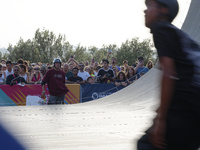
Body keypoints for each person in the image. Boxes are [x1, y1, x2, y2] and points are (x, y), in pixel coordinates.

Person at [137, 0, 200, 150]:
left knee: (147, 145)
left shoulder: (161, 28)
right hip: (194, 106)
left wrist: (161, 120)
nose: (145, 11)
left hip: (187, 105)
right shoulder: (179, 35)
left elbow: (169, 73)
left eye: (149, 6)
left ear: (163, 11)